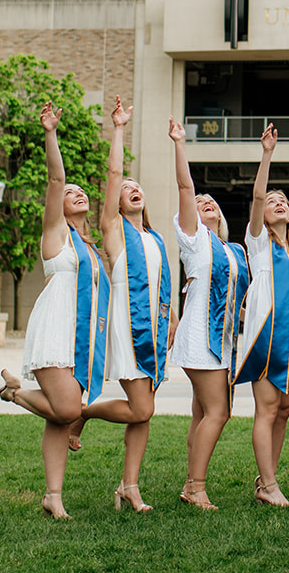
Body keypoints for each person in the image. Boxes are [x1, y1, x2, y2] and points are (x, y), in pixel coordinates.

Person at [0, 101, 110, 520]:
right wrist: (50, 132)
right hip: (55, 328)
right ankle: (14, 392)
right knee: (67, 410)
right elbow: (55, 176)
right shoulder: (55, 234)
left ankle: (53, 495)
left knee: (60, 421)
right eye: (69, 194)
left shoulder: (92, 248)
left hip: (82, 337)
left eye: (82, 192)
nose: (75, 192)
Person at [79, 97, 171, 514]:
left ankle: (129, 486)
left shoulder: (154, 239)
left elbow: (165, 289)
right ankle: (86, 412)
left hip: (154, 330)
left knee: (142, 415)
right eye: (126, 189)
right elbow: (114, 173)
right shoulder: (113, 230)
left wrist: (170, 324)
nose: (131, 190)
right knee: (141, 407)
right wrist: (119, 128)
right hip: (128, 329)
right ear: (117, 201)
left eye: (139, 188)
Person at [165, 115, 249, 511]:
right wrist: (180, 143)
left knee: (202, 411)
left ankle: (190, 482)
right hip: (201, 334)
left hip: (226, 339)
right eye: (200, 203)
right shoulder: (194, 239)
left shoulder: (234, 251)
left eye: (210, 201)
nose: (205, 202)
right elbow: (185, 185)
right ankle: (195, 487)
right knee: (220, 411)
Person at [235, 124, 289, 507]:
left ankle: (268, 480)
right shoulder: (258, 242)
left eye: (284, 201)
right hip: (266, 339)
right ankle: (268, 484)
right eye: (272, 201)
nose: (277, 203)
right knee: (266, 410)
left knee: (283, 411)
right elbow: (258, 193)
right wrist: (267, 154)